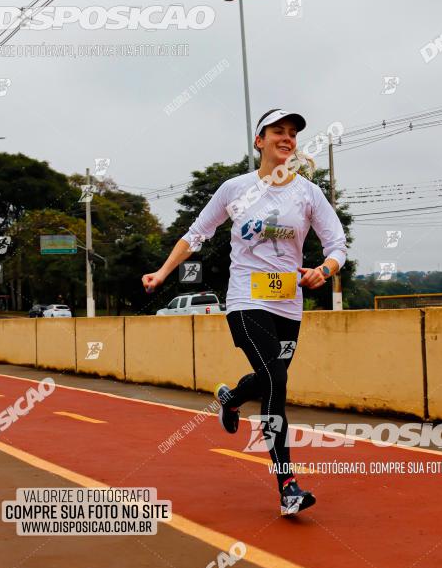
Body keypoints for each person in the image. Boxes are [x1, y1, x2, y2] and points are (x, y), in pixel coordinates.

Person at [142, 108, 348, 516]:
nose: (286, 138)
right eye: (278, 131)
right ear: (260, 141)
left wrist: (324, 270)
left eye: (292, 133)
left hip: (288, 302)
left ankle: (232, 397)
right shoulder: (235, 189)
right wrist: (163, 271)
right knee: (276, 380)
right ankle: (288, 485)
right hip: (245, 300)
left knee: (272, 376)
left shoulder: (307, 193)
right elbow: (196, 233)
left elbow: (337, 244)